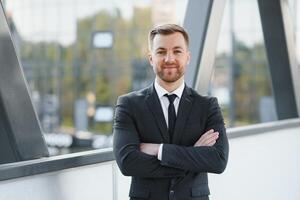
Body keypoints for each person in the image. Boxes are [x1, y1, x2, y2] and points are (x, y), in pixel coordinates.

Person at [113, 24, 229, 200]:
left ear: (187, 57)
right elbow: (128, 163)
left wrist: (160, 150)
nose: (169, 58)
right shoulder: (128, 105)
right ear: (151, 58)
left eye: (177, 51)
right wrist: (193, 154)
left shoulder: (207, 106)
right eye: (161, 52)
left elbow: (218, 160)